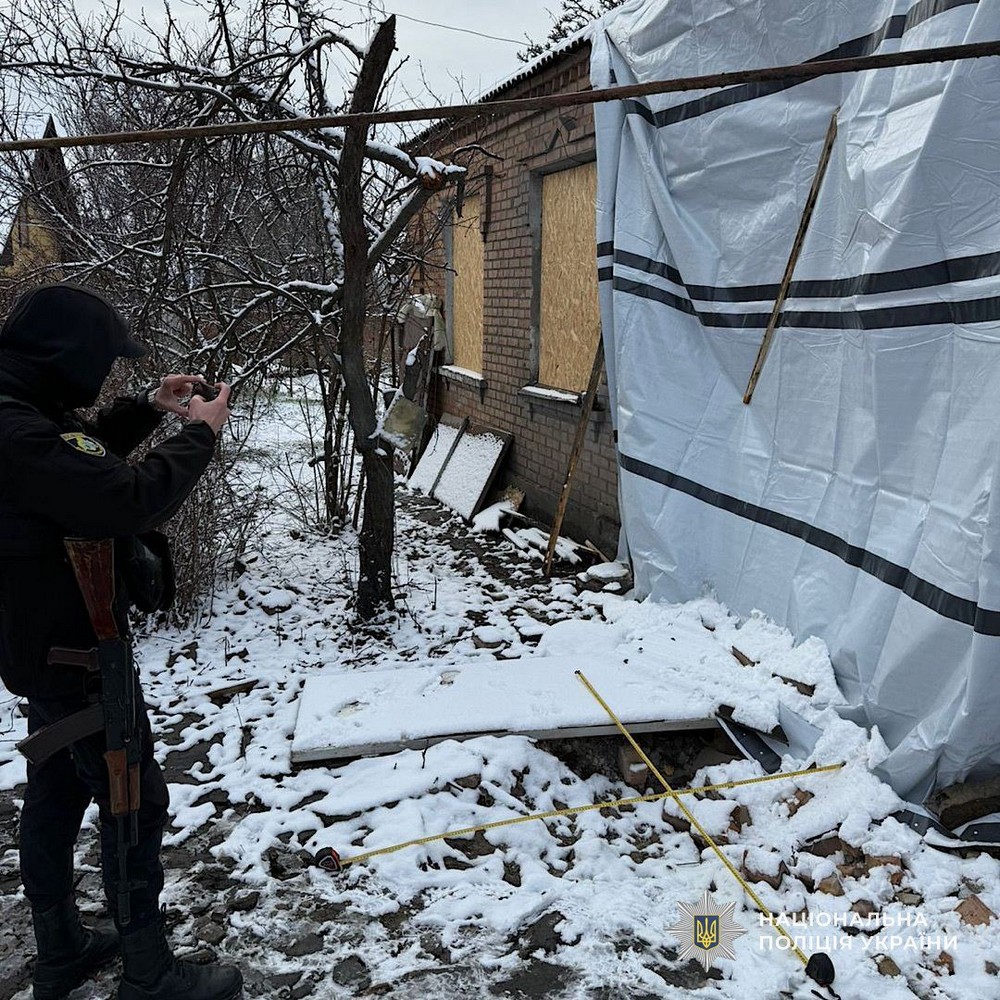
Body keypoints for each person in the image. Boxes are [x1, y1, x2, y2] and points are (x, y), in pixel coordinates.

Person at [0, 283, 243, 1000]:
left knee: (54, 785)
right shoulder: (15, 432)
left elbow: (73, 463)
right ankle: (149, 972)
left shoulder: (19, 412)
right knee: (133, 800)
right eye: (102, 360)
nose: (105, 374)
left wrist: (145, 406)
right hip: (77, 658)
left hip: (39, 651)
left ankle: (62, 948)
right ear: (66, 355)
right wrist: (199, 434)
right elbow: (120, 497)